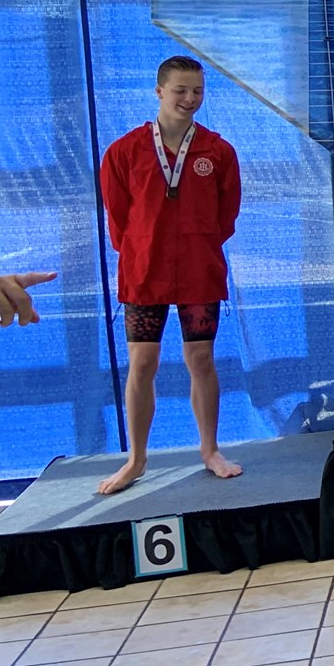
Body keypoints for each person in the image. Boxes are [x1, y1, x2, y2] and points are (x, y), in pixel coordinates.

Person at [96, 56, 242, 495]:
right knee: (143, 362)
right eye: (180, 90)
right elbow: (118, 219)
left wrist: (196, 243)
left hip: (199, 268)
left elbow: (227, 215)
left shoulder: (218, 152)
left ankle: (210, 449)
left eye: (197, 91)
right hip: (144, 270)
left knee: (201, 358)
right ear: (159, 91)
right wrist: (146, 247)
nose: (190, 99)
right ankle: (137, 459)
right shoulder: (123, 152)